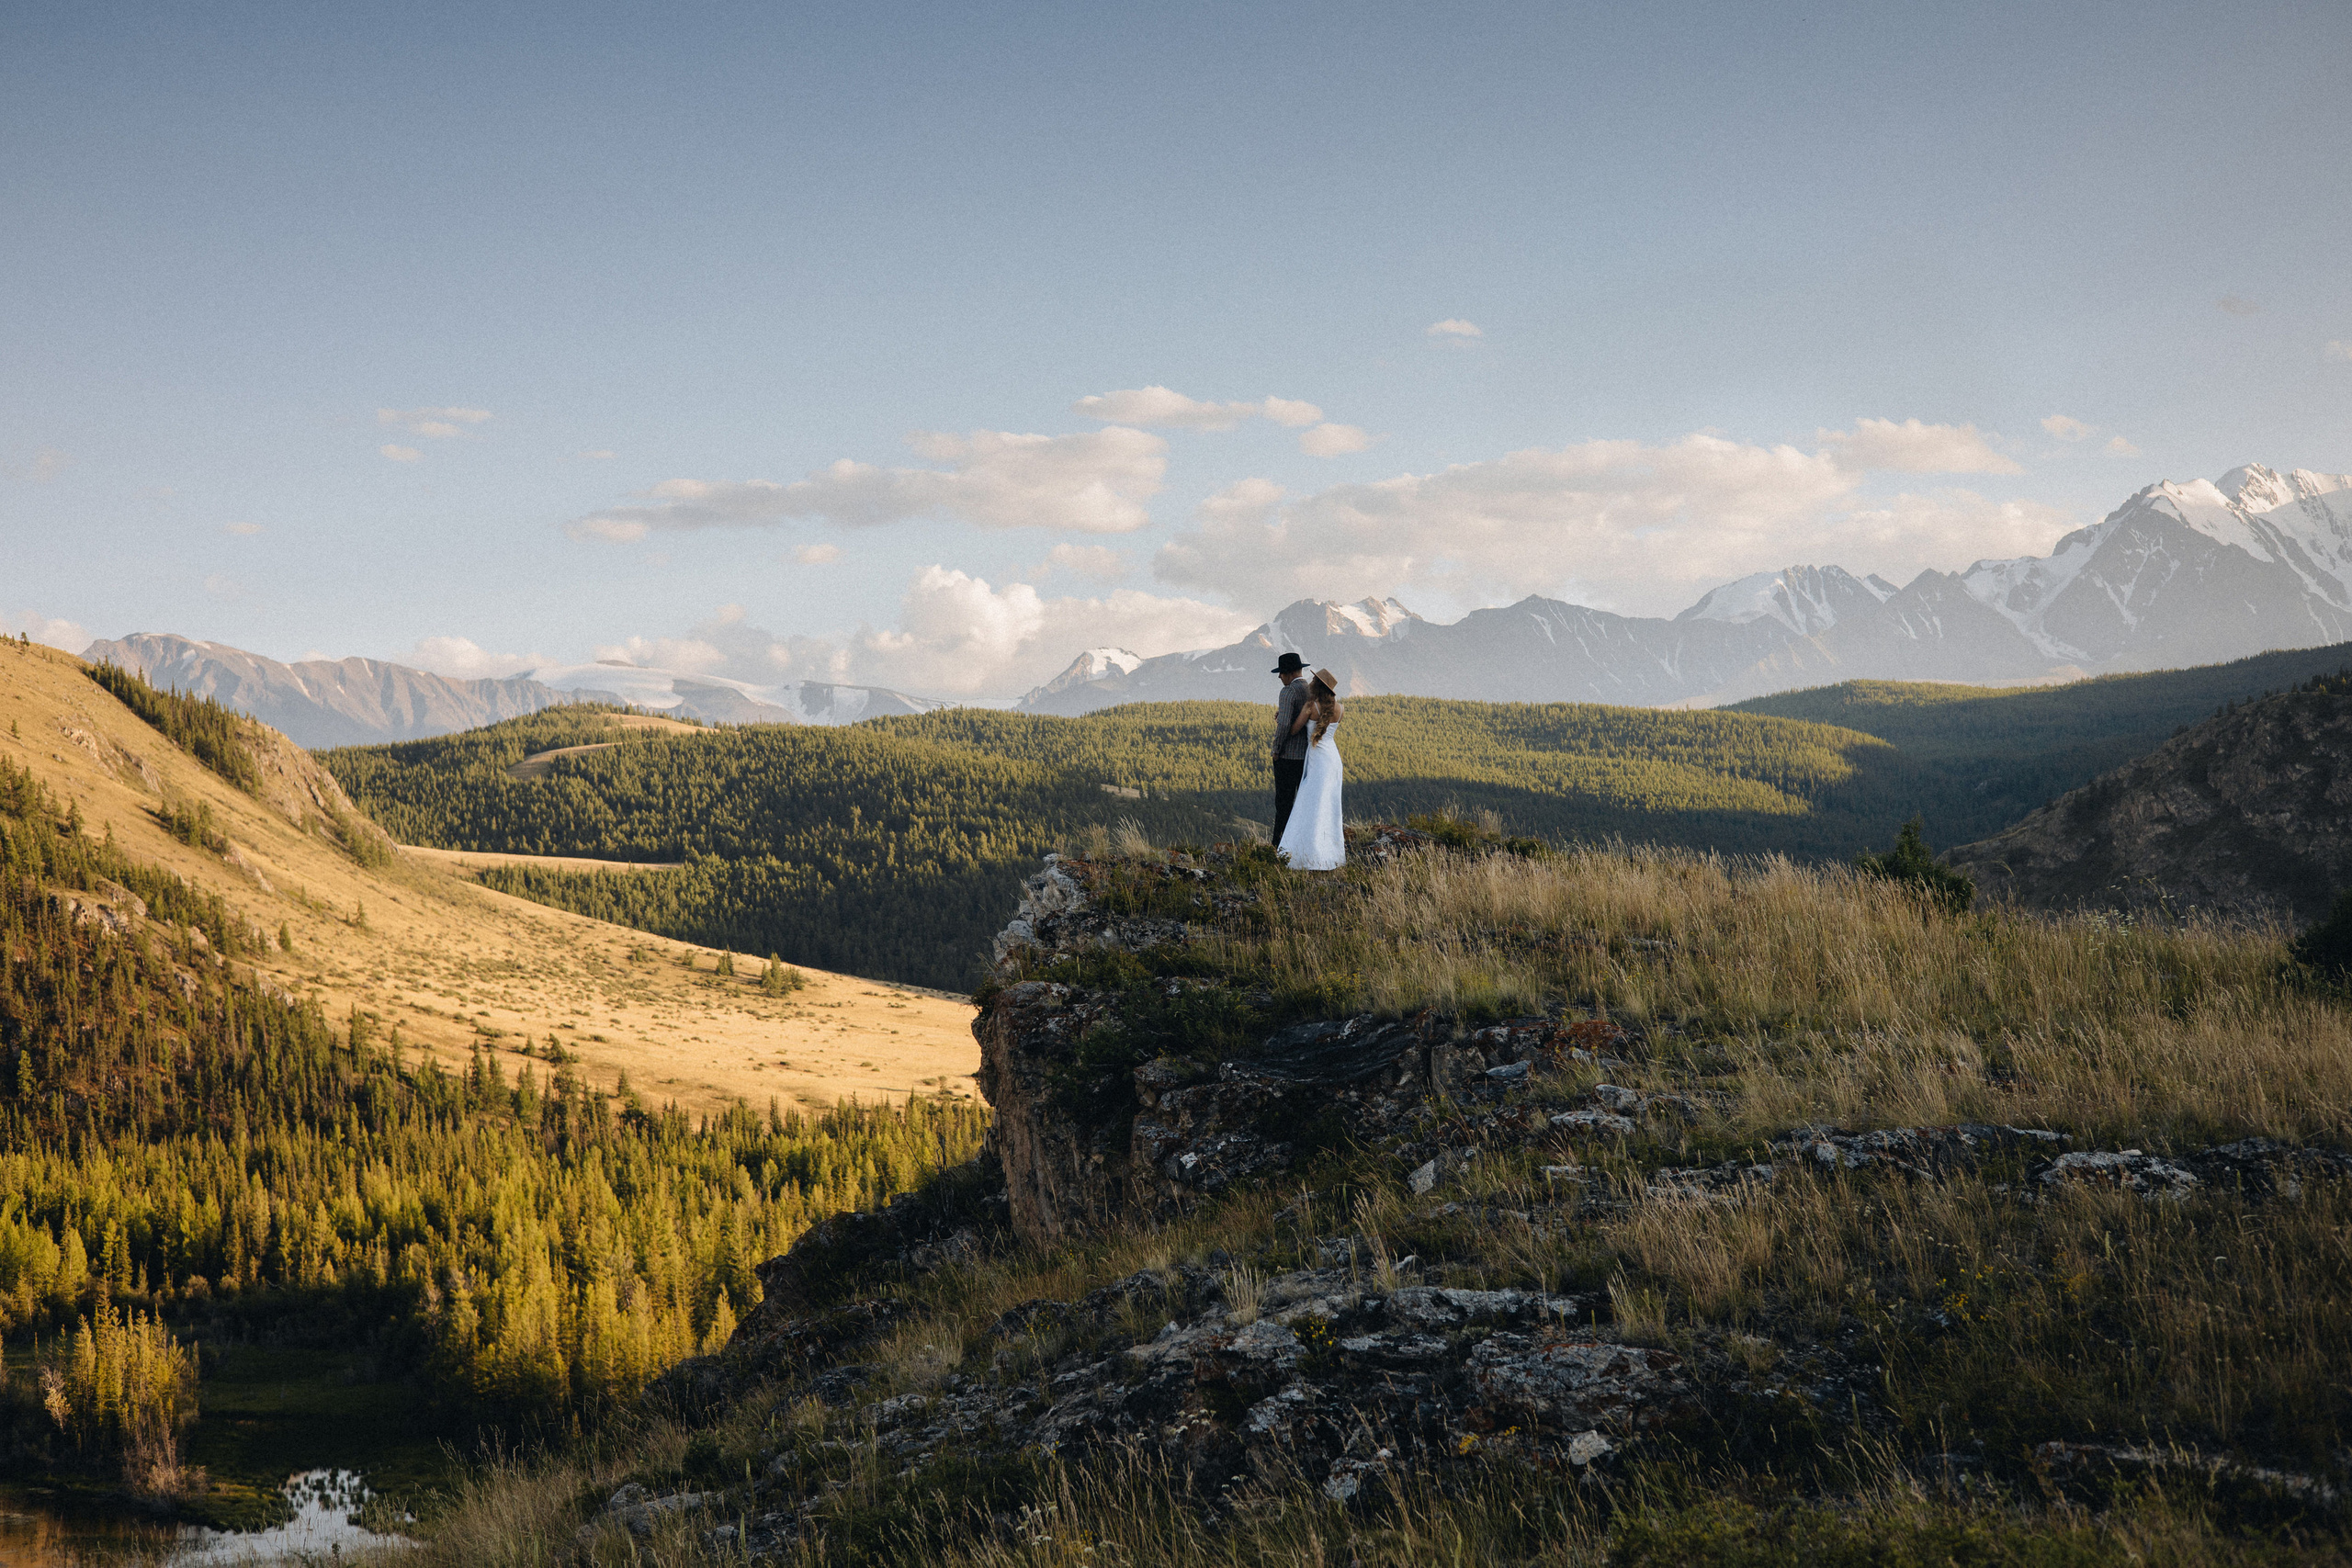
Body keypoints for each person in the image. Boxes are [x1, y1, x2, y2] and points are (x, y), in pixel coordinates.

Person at [1275, 668, 1345, 871]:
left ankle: (1305, 853)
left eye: (1313, 680)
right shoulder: (1340, 709)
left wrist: (1281, 717)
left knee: (1310, 804)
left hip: (1317, 760)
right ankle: (1330, 854)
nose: (1311, 682)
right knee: (1329, 807)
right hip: (1333, 759)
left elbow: (1293, 729)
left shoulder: (1309, 706)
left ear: (1317, 685)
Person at [1270, 651, 1311, 841]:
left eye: (1281, 673)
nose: (1279, 676)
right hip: (1307, 756)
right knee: (1303, 803)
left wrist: (1276, 750)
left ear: (1289, 673)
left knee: (1284, 804)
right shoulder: (1310, 690)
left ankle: (1278, 845)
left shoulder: (1288, 691)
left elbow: (1285, 724)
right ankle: (1299, 841)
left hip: (1288, 758)